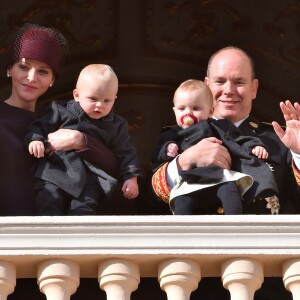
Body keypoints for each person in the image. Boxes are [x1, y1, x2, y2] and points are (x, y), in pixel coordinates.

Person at [152, 46, 300, 215]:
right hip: (194, 240)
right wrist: (184, 161)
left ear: (254, 88)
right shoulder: (177, 136)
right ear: (207, 86)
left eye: (239, 82)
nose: (229, 91)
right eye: (220, 81)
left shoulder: (278, 140)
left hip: (256, 240)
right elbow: (144, 204)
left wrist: (299, 153)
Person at [0, 23, 117, 216]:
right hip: (8, 236)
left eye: (43, 71)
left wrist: (80, 141)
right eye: (23, 67)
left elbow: (113, 166)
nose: (31, 77)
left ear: (53, 79)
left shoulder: (62, 117)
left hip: (59, 235)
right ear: (9, 69)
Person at [25, 64, 141, 215]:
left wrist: (131, 178)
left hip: (90, 179)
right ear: (76, 95)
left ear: (115, 99)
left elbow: (126, 152)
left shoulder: (116, 125)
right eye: (93, 98)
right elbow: (40, 126)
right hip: (54, 171)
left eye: (107, 101)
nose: (99, 105)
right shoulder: (59, 109)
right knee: (48, 204)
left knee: (83, 212)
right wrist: (35, 140)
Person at [152, 79, 278, 215]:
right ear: (174, 110)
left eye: (196, 108)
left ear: (210, 111)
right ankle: (184, 234)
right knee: (182, 200)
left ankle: (235, 225)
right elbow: (157, 155)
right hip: (189, 178)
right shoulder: (171, 134)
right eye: (182, 109)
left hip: (218, 176)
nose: (188, 113)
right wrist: (169, 150)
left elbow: (240, 140)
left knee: (230, 191)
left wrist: (254, 146)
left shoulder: (221, 127)